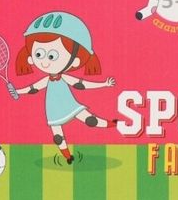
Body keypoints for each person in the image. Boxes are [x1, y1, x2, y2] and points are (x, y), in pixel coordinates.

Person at [14, 12, 116, 163]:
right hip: (53, 110)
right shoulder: (47, 79)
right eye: (39, 54)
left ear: (75, 61)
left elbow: (81, 84)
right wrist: (17, 91)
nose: (45, 62)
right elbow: (33, 88)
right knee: (57, 136)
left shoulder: (64, 77)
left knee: (91, 121)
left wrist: (104, 84)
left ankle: (113, 124)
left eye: (52, 56)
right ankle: (68, 156)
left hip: (70, 106)